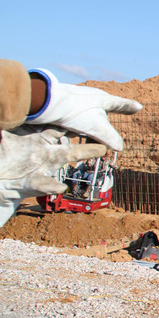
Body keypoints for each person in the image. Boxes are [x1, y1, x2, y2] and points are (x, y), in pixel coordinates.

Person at [0, 60, 142, 226]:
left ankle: (83, 191)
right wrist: (35, 97)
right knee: (76, 175)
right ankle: (76, 190)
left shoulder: (103, 164)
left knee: (88, 176)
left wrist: (31, 97)